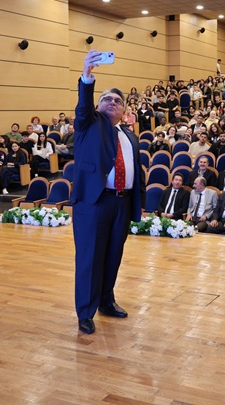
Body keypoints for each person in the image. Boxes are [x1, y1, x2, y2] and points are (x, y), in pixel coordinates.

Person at [71, 50, 145, 335]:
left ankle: (106, 301)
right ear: (98, 105)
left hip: (121, 203)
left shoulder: (130, 136)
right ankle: (85, 312)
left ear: (125, 112)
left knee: (113, 255)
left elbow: (136, 172)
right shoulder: (88, 125)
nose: (112, 102)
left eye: (118, 101)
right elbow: (83, 106)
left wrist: (137, 205)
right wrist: (87, 75)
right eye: (107, 99)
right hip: (94, 202)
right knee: (90, 258)